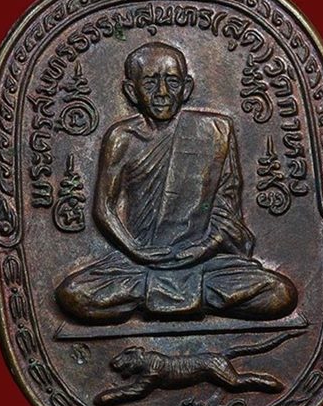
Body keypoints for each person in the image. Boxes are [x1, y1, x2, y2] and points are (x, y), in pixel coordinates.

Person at [56, 42, 297, 324]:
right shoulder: (122, 138)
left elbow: (227, 212)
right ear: (131, 91)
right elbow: (104, 208)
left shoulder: (215, 131)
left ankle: (158, 298)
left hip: (203, 262)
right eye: (150, 82)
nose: (162, 93)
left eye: (172, 82)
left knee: (280, 294)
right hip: (139, 263)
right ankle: (191, 298)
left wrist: (204, 248)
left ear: (187, 88)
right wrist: (135, 249)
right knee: (73, 295)